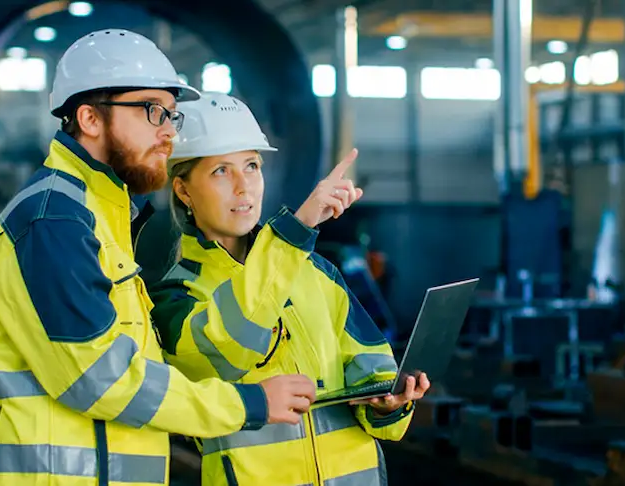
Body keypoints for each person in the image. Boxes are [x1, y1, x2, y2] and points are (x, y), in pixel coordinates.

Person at [0, 30, 315, 486]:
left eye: (171, 115)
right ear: (89, 118)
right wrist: (247, 404)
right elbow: (99, 379)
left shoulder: (99, 216)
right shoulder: (54, 221)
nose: (169, 131)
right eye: (152, 111)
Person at [134, 92, 431, 486]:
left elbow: (373, 367)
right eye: (221, 171)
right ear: (183, 191)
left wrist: (388, 403)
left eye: (252, 166)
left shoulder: (317, 272)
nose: (244, 187)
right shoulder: (175, 294)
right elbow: (227, 352)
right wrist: (297, 229)